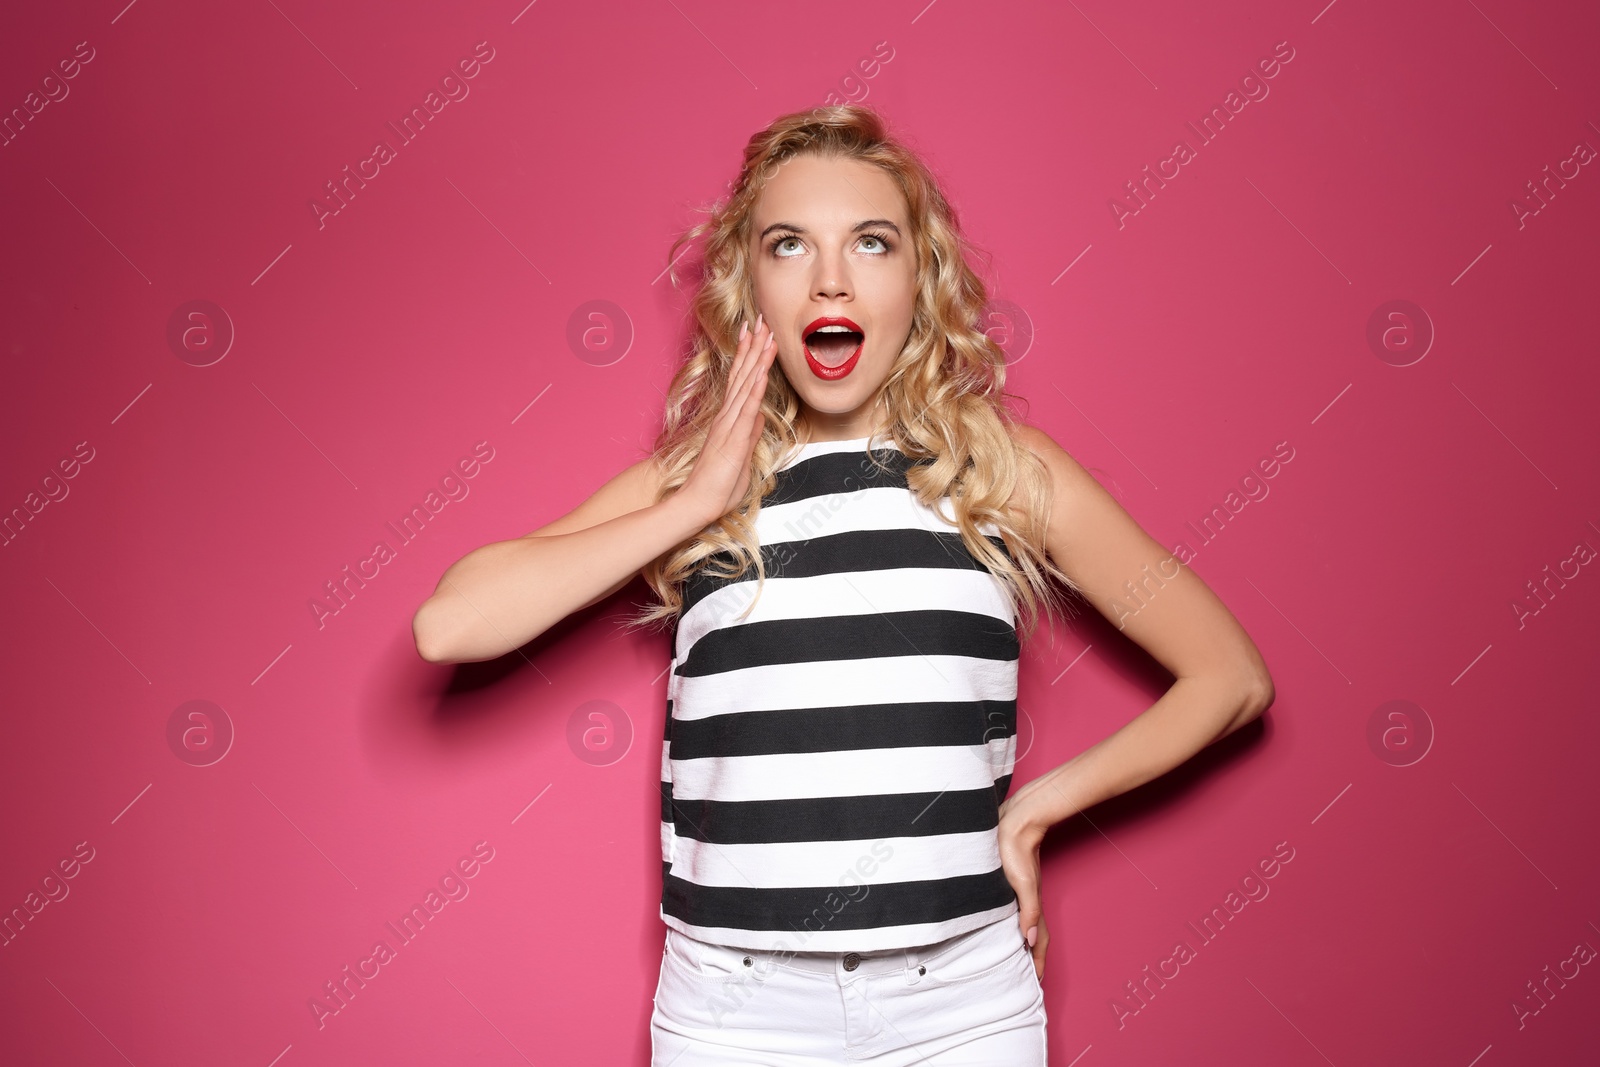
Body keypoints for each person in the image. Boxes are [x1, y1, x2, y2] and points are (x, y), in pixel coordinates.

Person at [411, 104, 1274, 1066]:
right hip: (732, 1008)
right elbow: (452, 625)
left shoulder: (1001, 470)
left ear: (920, 278)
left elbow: (1230, 677)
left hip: (959, 1001)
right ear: (753, 290)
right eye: (790, 246)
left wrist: (1035, 809)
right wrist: (693, 499)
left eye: (871, 242)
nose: (831, 278)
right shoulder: (694, 482)